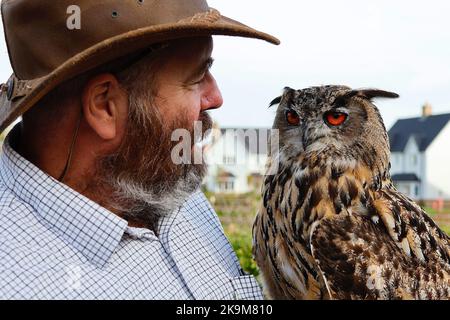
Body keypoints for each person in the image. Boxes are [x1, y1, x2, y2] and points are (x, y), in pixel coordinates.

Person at [0, 0, 279, 299]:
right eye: (197, 77)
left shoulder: (156, 172)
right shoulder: (20, 285)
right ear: (106, 105)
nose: (216, 97)